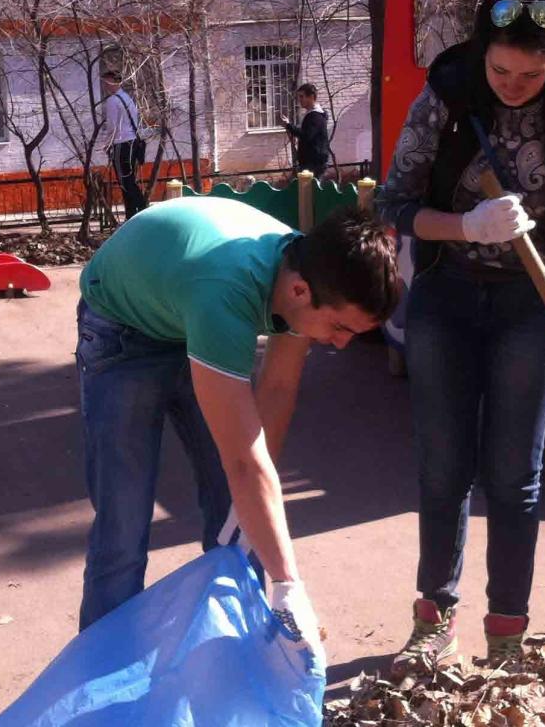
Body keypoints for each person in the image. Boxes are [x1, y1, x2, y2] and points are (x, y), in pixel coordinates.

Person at [376, 0, 545, 673]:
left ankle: (507, 632)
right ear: (484, 52)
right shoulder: (448, 95)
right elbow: (392, 202)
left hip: (535, 310)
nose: (514, 87)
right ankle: (433, 617)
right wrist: (466, 225)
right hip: (447, 298)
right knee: (443, 465)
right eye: (502, 72)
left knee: (516, 473)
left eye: (532, 75)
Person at [76, 196, 400, 655]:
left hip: (185, 307)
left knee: (239, 516)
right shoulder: (227, 293)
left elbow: (277, 392)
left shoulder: (304, 274)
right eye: (340, 327)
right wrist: (288, 584)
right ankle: (99, 677)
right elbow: (244, 462)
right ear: (301, 292)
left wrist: (250, 521)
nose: (343, 345)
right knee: (123, 524)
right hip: (121, 328)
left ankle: (229, 658)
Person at [99, 70, 148, 219]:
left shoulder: (113, 101)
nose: (105, 85)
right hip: (132, 142)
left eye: (106, 81)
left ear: (112, 81)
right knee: (129, 180)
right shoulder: (126, 97)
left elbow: (112, 127)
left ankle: (143, 208)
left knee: (125, 182)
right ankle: (132, 215)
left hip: (121, 144)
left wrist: (106, 145)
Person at [280, 83, 330, 177]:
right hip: (311, 162)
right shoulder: (312, 114)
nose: (299, 100)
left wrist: (289, 126)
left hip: (314, 164)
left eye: (302, 96)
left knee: (310, 191)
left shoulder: (315, 116)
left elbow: (306, 136)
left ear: (311, 97)